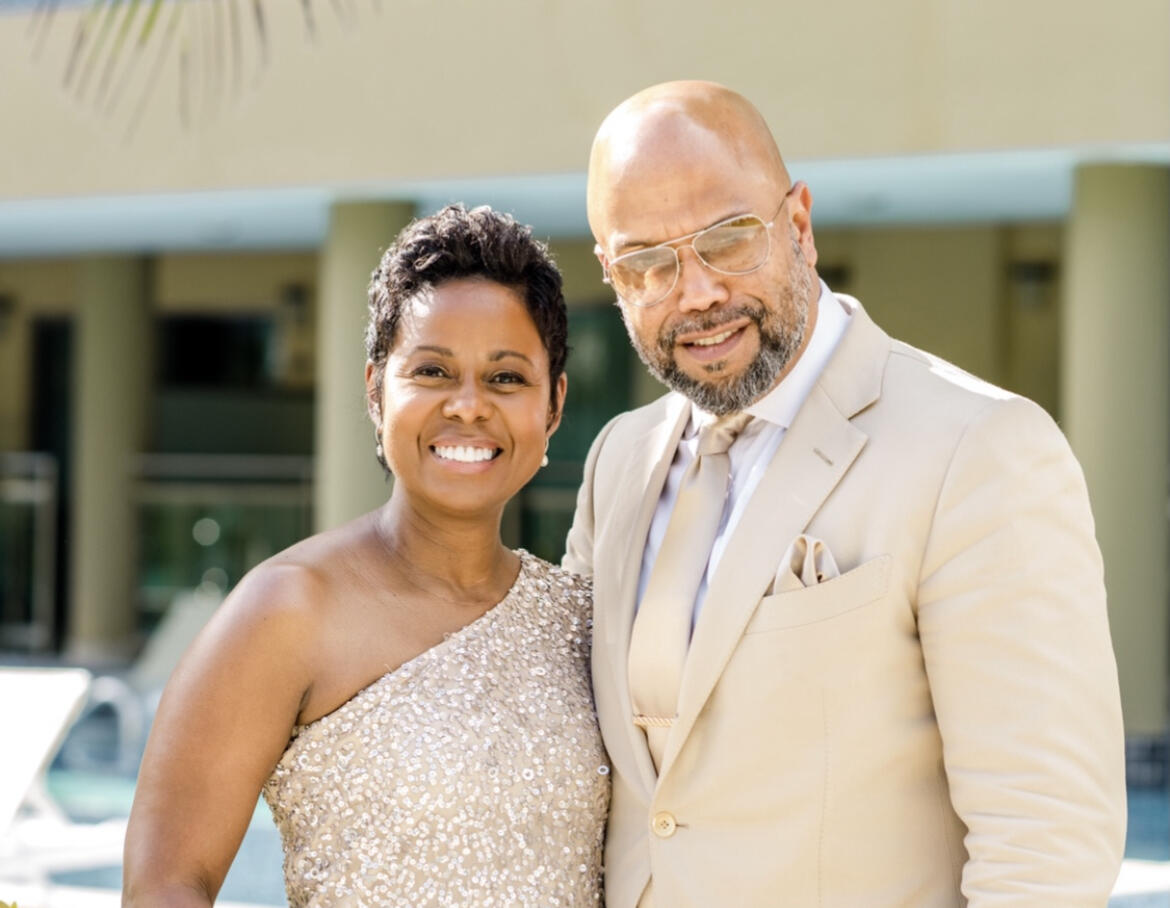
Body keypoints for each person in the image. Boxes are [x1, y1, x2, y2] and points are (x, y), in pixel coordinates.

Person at [564, 81, 1126, 908]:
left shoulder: (981, 449)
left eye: (728, 239)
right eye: (649, 263)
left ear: (798, 225)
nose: (697, 293)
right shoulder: (618, 458)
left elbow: (1045, 844)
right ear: (613, 276)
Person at [124, 204, 610, 907]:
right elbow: (166, 885)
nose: (469, 406)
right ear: (377, 391)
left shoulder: (580, 620)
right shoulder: (288, 609)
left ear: (554, 404)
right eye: (434, 371)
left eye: (506, 378)